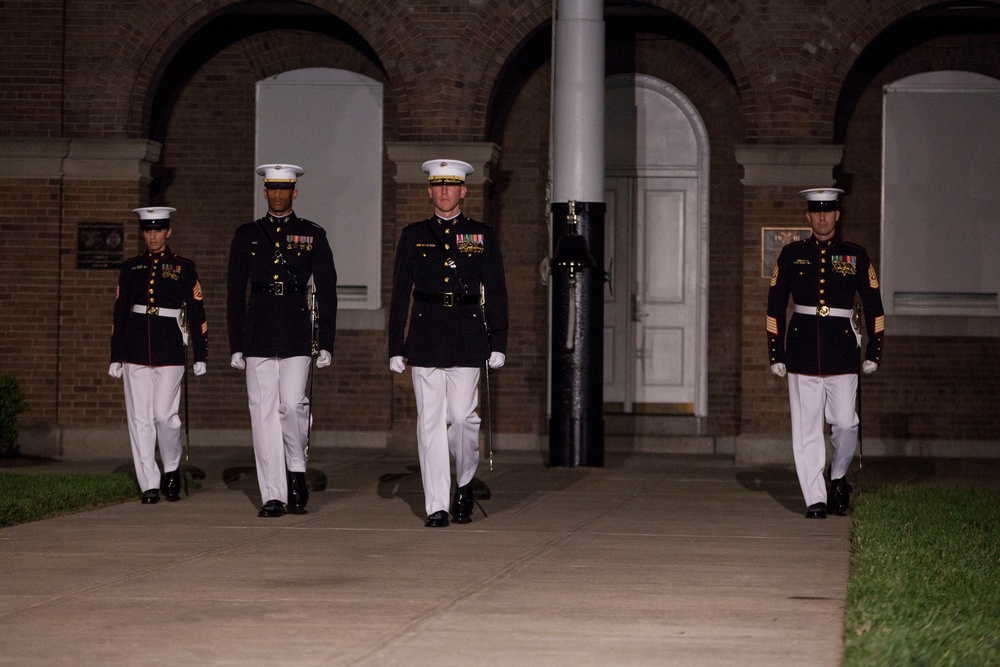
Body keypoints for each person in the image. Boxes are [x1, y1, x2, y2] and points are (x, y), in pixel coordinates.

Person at [388, 159, 509, 527]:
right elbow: (398, 294)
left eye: (451, 185)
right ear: (429, 191)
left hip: (468, 334)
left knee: (462, 418)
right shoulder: (413, 235)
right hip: (425, 337)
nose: (444, 191)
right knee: (429, 424)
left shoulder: (481, 234)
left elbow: (497, 292)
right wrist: (396, 344)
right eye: (438, 185)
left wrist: (498, 341)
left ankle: (465, 481)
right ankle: (437, 504)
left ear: (463, 191)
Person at [766, 187, 884, 518]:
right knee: (806, 430)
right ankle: (815, 498)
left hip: (842, 350)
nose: (822, 217)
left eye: (828, 211)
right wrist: (776, 352)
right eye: (816, 211)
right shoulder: (791, 254)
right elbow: (775, 306)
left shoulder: (855, 255)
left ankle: (837, 477)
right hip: (802, 350)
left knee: (846, 424)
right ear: (808, 216)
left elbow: (874, 306)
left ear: (837, 214)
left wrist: (874, 349)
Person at [227, 164, 338, 518]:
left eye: (284, 189)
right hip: (258, 330)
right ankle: (273, 494)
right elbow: (233, 293)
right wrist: (236, 343)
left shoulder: (312, 234)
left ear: (295, 193)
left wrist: (327, 341)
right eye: (272, 189)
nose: (277, 195)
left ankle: (296, 468)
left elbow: (328, 292)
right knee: (263, 415)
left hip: (295, 328)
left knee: (291, 405)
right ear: (264, 193)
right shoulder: (247, 235)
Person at [109, 206, 208, 504]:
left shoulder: (183, 267)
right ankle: (149, 483)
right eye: (148, 230)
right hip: (135, 347)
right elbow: (119, 313)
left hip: (169, 346)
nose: (152, 235)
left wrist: (200, 355)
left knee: (165, 416)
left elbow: (196, 310)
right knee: (140, 418)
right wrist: (115, 355)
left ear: (168, 231)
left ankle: (172, 469)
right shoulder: (130, 267)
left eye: (158, 229)